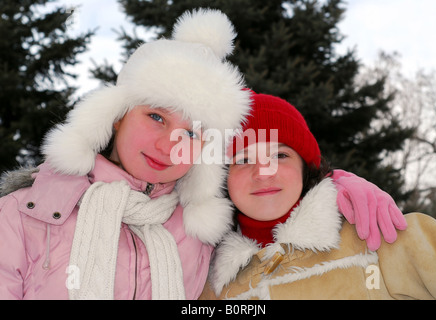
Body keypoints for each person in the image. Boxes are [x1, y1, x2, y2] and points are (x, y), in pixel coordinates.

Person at [0, 9, 406, 300]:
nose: (167, 145)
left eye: (192, 132)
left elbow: (272, 204)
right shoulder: (25, 213)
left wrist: (335, 184)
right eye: (156, 115)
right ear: (117, 115)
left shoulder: (204, 233)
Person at [200, 92, 436, 300]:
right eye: (243, 159)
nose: (263, 173)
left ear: (305, 167)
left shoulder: (382, 238)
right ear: (222, 176)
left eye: (280, 155)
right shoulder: (205, 285)